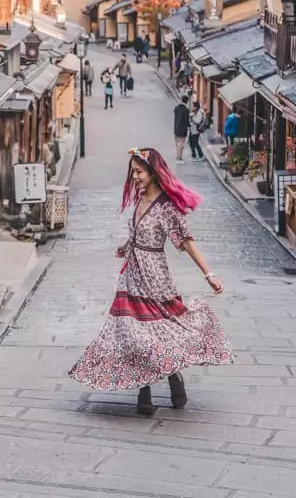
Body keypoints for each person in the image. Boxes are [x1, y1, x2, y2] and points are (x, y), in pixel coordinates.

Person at [69, 147, 232, 415]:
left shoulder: (167, 209)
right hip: (131, 276)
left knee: (158, 335)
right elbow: (138, 231)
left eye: (139, 172)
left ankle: (174, 378)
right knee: (134, 335)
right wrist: (126, 245)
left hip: (156, 277)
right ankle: (144, 392)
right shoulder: (140, 199)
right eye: (132, 172)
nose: (134, 177)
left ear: (154, 173)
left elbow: (187, 243)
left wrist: (209, 274)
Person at [173, 98, 190, 165]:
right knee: (181, 144)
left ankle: (178, 157)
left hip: (176, 128)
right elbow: (186, 121)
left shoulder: (177, 108)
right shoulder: (185, 110)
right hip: (182, 130)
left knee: (177, 144)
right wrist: (189, 126)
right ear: (187, 102)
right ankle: (179, 158)